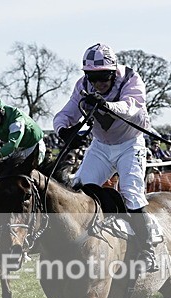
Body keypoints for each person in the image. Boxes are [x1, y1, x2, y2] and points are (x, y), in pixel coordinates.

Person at [53, 43, 158, 272]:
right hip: (100, 147)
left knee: (131, 192)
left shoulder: (131, 78)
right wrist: (64, 131)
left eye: (104, 77)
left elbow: (132, 106)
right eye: (93, 77)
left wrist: (106, 104)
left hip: (130, 144)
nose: (98, 83)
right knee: (78, 189)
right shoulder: (83, 86)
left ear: (113, 72)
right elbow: (65, 114)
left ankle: (148, 251)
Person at [0, 95, 46, 176]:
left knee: (25, 173)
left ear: (2, 111)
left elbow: (12, 145)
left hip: (33, 147)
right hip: (17, 150)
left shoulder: (15, 117)